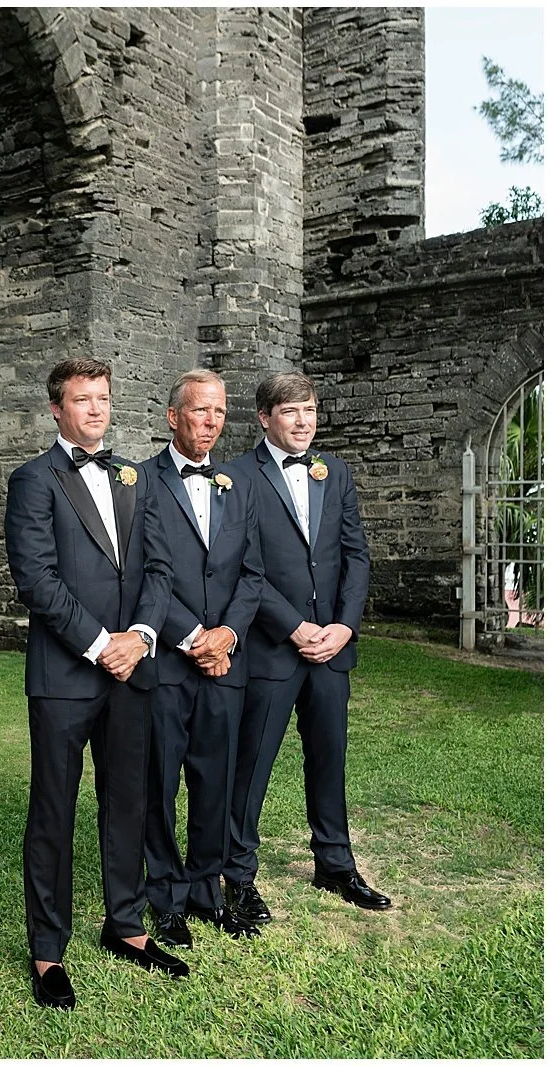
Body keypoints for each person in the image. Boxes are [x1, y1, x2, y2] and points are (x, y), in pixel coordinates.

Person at [4, 357, 177, 1010]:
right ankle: (48, 951)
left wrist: (141, 638)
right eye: (83, 399)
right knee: (52, 810)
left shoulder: (135, 476)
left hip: (134, 670)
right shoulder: (33, 480)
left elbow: (160, 569)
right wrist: (103, 645)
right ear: (57, 408)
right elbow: (37, 581)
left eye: (103, 398)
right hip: (65, 676)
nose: (97, 409)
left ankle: (126, 927)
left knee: (127, 801)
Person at [225, 371, 391, 922]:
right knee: (252, 764)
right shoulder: (237, 477)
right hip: (274, 648)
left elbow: (355, 556)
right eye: (292, 412)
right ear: (265, 418)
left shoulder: (334, 472)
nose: (304, 422)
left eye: (311, 411)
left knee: (330, 758)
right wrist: (294, 627)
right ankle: (238, 875)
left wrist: (343, 627)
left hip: (331, 648)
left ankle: (335, 864)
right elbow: (240, 568)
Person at [139, 369, 267, 947]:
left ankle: (204, 888)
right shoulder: (139, 482)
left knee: (216, 780)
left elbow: (252, 573)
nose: (212, 421)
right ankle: (164, 895)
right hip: (167, 663)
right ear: (173, 417)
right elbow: (142, 577)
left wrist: (228, 637)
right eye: (200, 411)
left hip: (227, 663)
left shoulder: (239, 484)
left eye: (219, 412)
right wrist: (193, 638)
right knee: (160, 782)